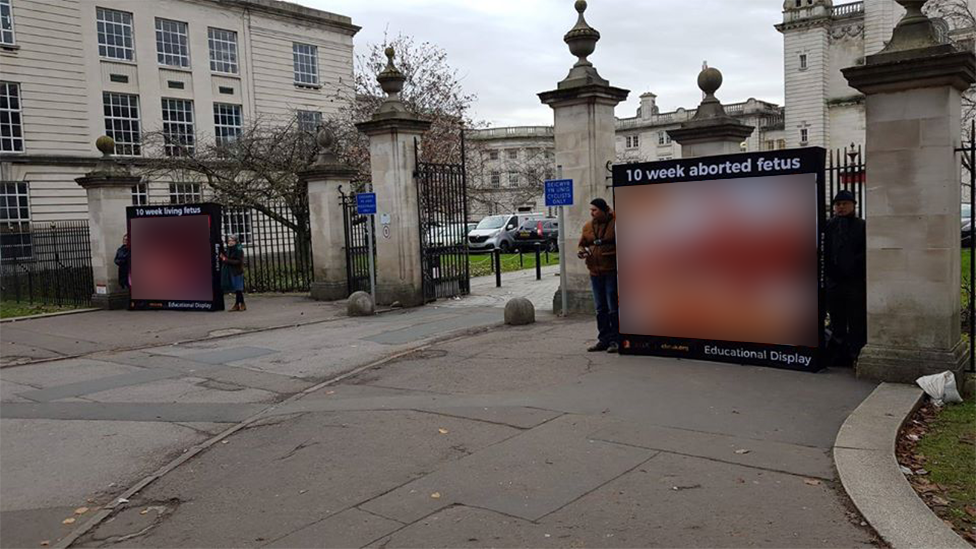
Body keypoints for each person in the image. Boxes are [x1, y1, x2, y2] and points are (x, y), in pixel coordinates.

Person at [824, 189, 866, 367]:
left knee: (856, 319)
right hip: (834, 281)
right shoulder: (829, 225)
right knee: (837, 319)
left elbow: (865, 252)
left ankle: (855, 353)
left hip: (854, 282)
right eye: (838, 204)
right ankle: (838, 354)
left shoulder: (862, 226)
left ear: (853, 205)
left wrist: (853, 266)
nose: (840, 207)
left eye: (844, 204)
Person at [579, 198, 619, 353]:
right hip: (595, 272)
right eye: (591, 210)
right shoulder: (588, 226)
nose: (592, 213)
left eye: (595, 210)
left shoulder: (616, 223)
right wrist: (581, 251)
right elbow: (582, 243)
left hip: (611, 270)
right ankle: (604, 339)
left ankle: (616, 339)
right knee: (600, 307)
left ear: (603, 210)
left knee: (612, 307)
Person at [220, 235, 246, 312]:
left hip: (237, 271)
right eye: (229, 241)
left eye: (231, 240)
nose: (230, 242)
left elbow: (238, 261)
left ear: (235, 241)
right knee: (236, 289)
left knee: (238, 289)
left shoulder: (238, 249)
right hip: (231, 271)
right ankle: (238, 304)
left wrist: (225, 260)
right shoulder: (229, 249)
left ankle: (242, 304)